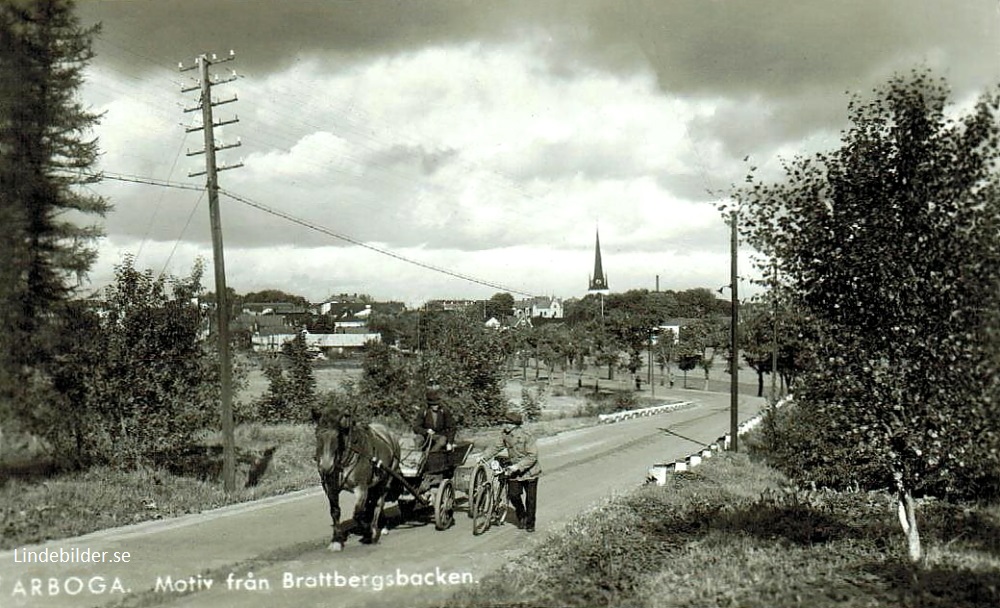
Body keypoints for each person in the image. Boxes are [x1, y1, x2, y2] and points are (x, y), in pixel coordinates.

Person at [483, 410, 541, 532]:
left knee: (530, 499)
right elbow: (496, 446)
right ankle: (522, 515)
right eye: (504, 423)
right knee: (513, 495)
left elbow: (532, 456)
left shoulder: (526, 435)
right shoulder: (505, 434)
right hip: (514, 471)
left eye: (507, 423)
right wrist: (484, 457)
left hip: (530, 472)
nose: (505, 425)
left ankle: (530, 524)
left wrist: (518, 466)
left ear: (514, 424)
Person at [411, 385, 456, 452]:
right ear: (429, 405)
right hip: (426, 436)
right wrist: (426, 431)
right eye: (433, 405)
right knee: (418, 439)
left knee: (442, 440)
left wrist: (450, 443)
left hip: (440, 436)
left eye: (437, 404)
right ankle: (417, 457)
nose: (436, 406)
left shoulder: (444, 411)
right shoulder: (423, 411)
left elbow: (452, 428)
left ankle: (431, 455)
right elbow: (416, 427)